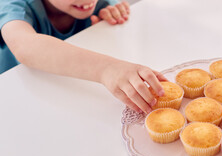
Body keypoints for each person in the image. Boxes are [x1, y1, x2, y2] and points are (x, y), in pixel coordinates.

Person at [0, 0, 166, 114]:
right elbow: (24, 45)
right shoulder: (13, 6)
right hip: (19, 100)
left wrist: (112, 12)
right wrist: (107, 69)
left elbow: (116, 9)